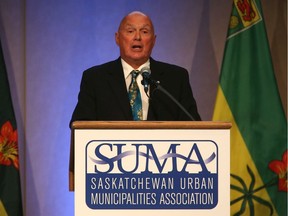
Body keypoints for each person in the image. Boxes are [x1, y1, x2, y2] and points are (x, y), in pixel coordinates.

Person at [70, 11, 201, 125]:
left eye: (144, 32)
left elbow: (193, 124)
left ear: (154, 40)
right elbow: (81, 125)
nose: (137, 37)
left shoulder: (176, 78)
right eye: (130, 31)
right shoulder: (95, 79)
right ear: (117, 38)